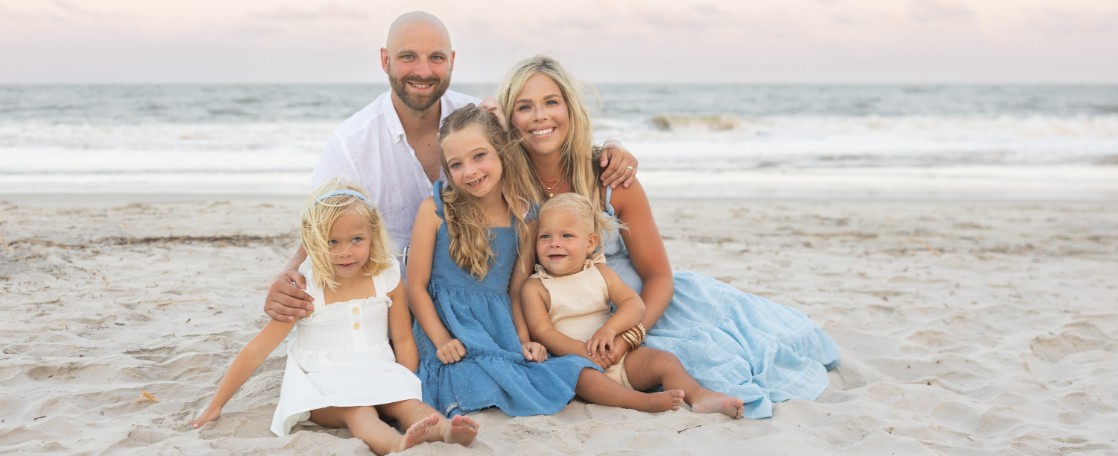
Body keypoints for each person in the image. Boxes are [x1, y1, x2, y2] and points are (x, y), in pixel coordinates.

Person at [494, 55, 841, 419]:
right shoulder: (505, 187)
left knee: (712, 358)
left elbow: (659, 275)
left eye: (551, 102)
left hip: (643, 311)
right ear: (509, 118)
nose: (539, 116)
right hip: (567, 324)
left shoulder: (611, 178)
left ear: (570, 108)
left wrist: (632, 335)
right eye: (524, 106)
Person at [264, 11, 638, 323]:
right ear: (385, 60)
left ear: (452, 62)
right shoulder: (351, 143)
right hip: (398, 303)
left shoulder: (479, 120)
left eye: (436, 58)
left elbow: (543, 140)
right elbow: (321, 224)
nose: (423, 71)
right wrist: (289, 273)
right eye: (408, 56)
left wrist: (609, 148)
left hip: (487, 300)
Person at [407, 104, 685, 417]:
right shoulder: (434, 211)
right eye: (456, 164)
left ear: (502, 152)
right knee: (468, 378)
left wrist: (524, 340)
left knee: (557, 371)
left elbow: (515, 290)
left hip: (500, 325)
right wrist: (442, 339)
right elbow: (416, 286)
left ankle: (636, 400)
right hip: (447, 324)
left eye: (479, 156)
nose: (469, 171)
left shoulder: (524, 217)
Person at [190, 179, 479, 455]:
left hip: (377, 370)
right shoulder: (305, 287)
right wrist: (216, 404)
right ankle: (396, 445)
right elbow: (258, 349)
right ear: (314, 241)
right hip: (322, 383)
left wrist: (405, 381)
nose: (345, 252)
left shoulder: (386, 276)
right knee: (360, 412)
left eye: (356, 239)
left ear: (372, 234)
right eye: (332, 242)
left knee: (408, 405)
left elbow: (403, 338)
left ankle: (445, 432)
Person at [522, 193, 745, 418]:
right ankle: (643, 401)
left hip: (618, 356)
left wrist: (610, 330)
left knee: (664, 361)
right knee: (582, 378)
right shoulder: (537, 286)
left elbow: (634, 305)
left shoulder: (601, 273)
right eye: (545, 236)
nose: (555, 243)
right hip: (576, 362)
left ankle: (699, 395)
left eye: (567, 235)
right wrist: (581, 352)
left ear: (590, 243)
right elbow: (543, 331)